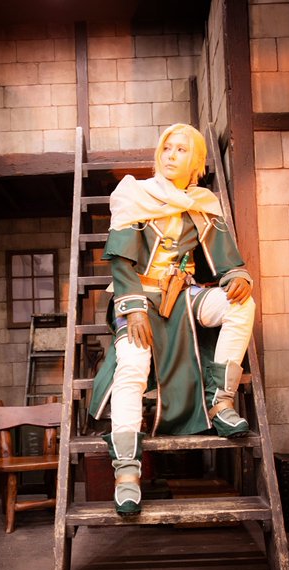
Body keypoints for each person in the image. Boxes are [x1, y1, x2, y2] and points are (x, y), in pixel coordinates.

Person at [89, 123, 255, 516]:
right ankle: (126, 473)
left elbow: (227, 258)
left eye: (181, 149)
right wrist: (133, 308)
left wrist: (238, 277)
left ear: (195, 162)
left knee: (241, 305)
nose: (171, 155)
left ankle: (220, 402)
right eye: (166, 148)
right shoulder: (134, 194)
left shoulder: (203, 202)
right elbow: (121, 263)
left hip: (184, 296)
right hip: (137, 298)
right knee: (131, 365)